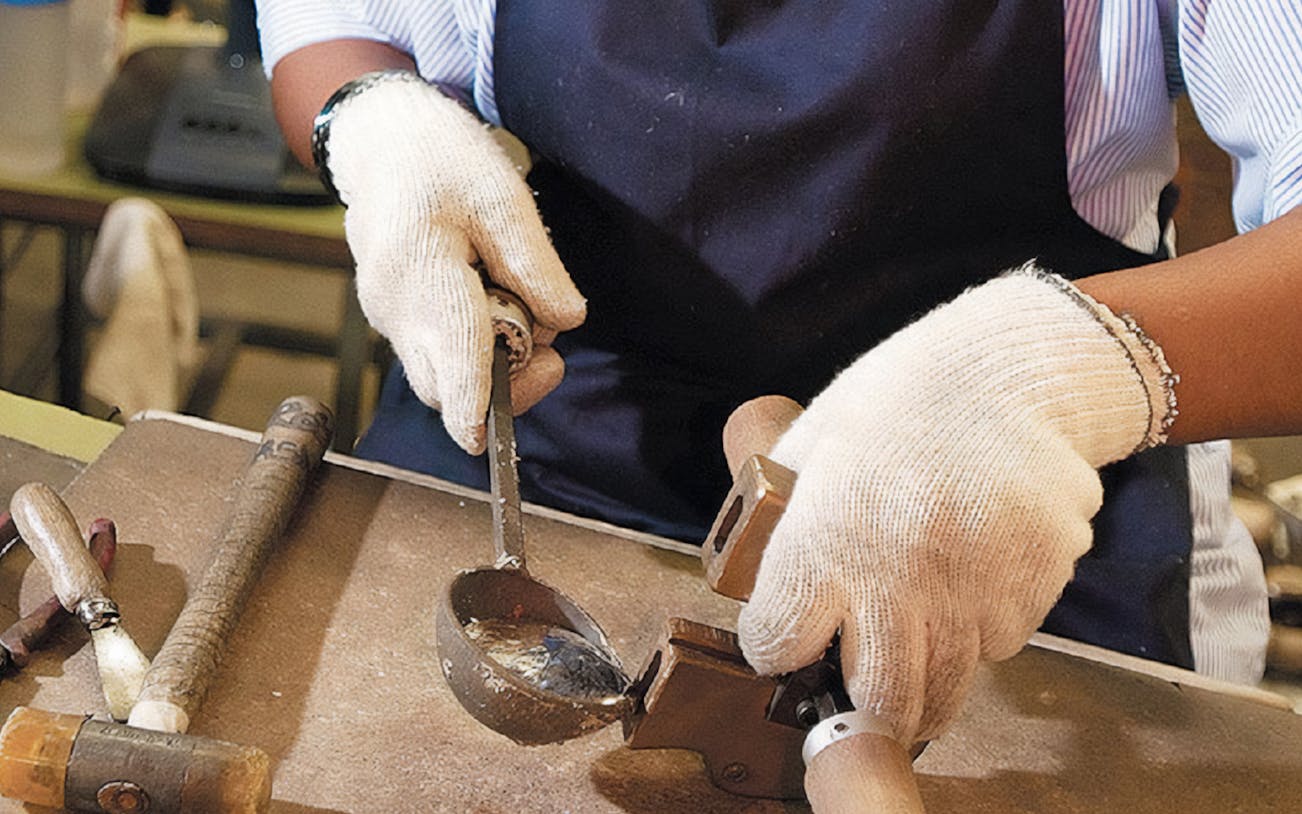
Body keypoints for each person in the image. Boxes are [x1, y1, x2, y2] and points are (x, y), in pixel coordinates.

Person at [255, 0, 1302, 746]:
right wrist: (376, 117)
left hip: (1006, 543)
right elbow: (338, 22)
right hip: (544, 470)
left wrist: (1043, 375)